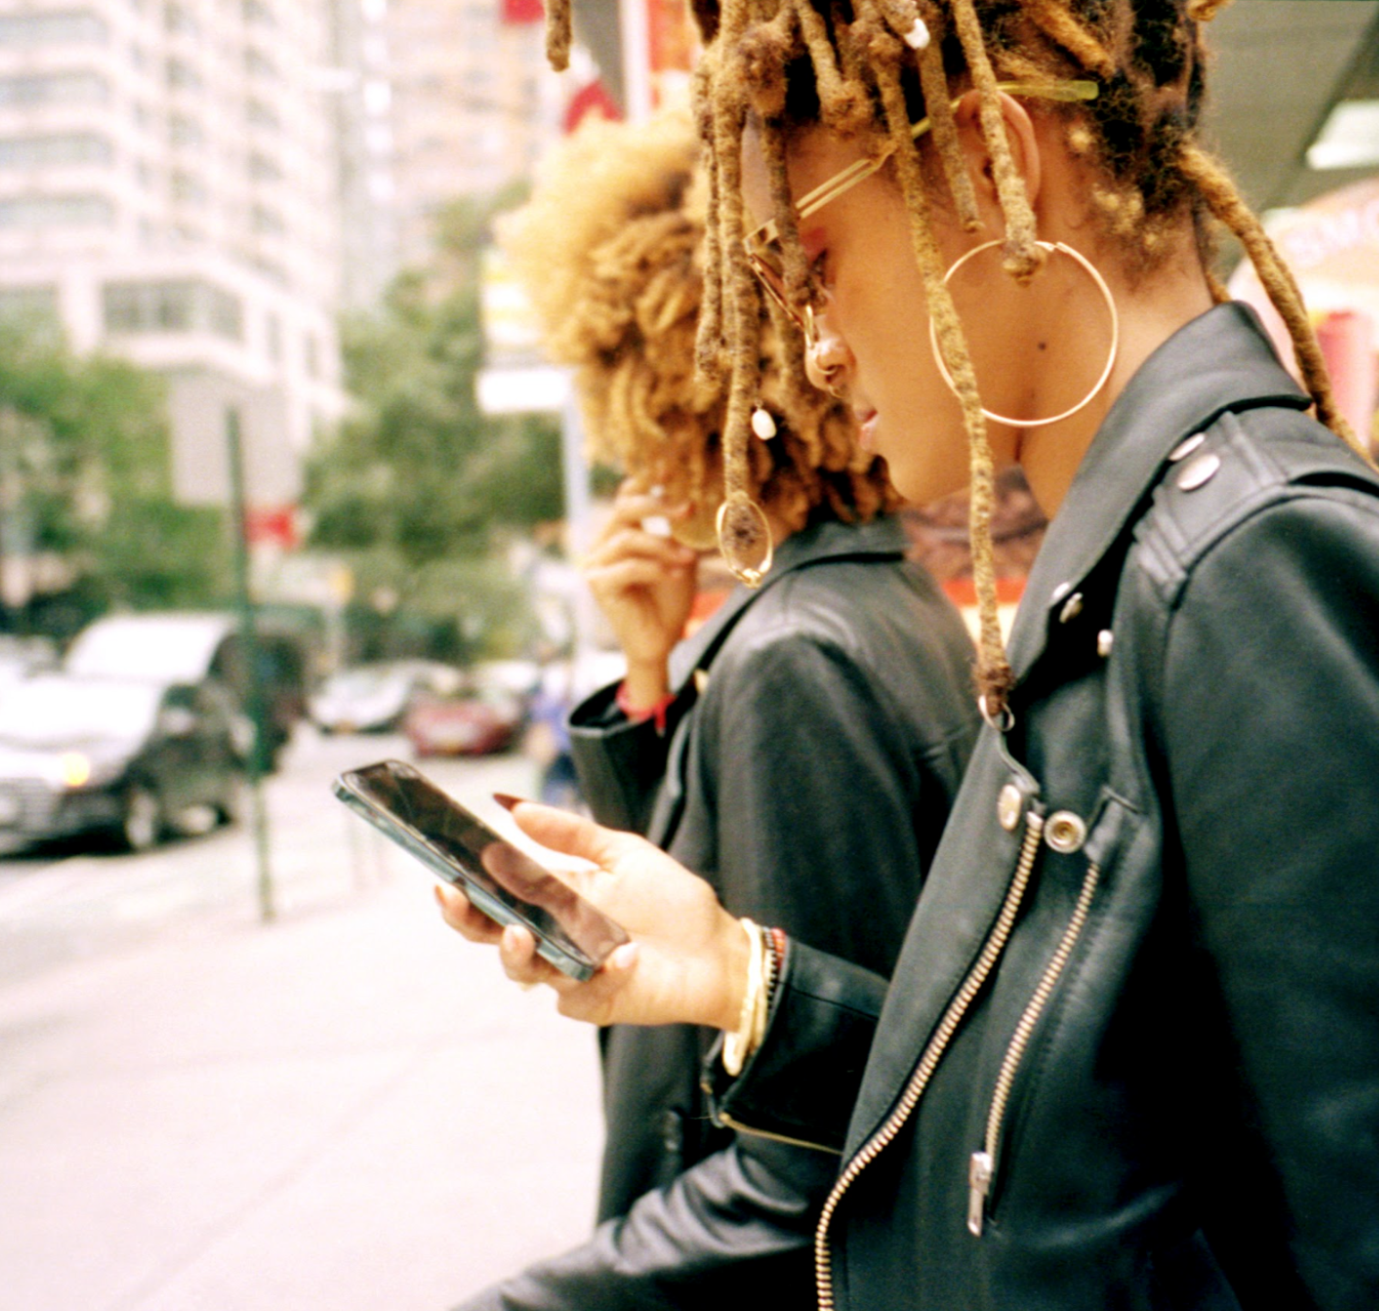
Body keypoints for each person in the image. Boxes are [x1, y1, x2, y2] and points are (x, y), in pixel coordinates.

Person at [441, 1, 1379, 1307]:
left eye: (817, 262)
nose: (814, 346)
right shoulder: (1123, 570)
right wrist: (735, 971)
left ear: (997, 166)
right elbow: (1081, 1148)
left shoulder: (1255, 569)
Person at [465, 111, 980, 1307]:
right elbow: (719, 922)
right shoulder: (867, 600)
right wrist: (647, 680)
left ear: (681, 400)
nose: (624, 454)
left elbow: (810, 1151)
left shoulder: (793, 657)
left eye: (626, 400)